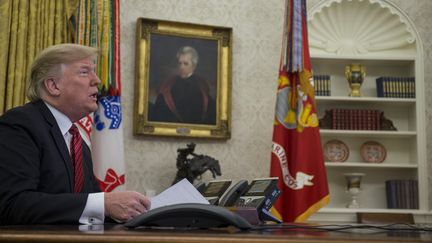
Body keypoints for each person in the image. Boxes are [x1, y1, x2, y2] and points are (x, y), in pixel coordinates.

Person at [0, 43, 151, 225]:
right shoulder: (21, 124)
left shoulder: (77, 140)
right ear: (53, 85)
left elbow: (86, 205)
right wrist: (104, 203)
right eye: (85, 72)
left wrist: (136, 213)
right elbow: (13, 204)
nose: (97, 80)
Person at [150, 46, 216, 124]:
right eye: (180, 63)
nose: (181, 67)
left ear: (194, 66)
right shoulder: (168, 85)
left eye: (185, 64)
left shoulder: (202, 87)